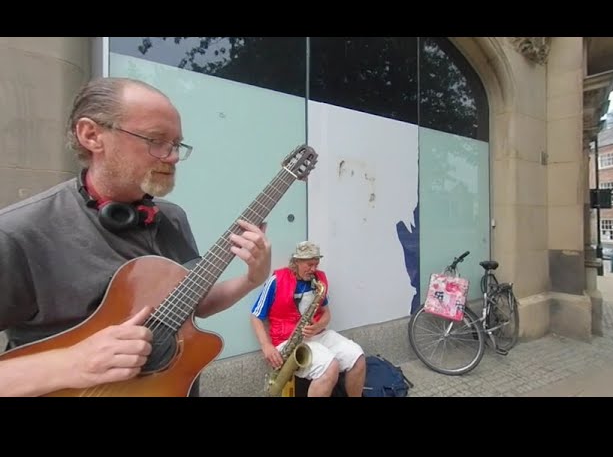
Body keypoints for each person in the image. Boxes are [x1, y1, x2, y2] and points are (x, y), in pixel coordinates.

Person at [0, 76, 271, 397]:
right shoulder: (18, 232)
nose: (171, 156)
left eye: (176, 144)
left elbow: (190, 306)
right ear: (91, 135)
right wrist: (73, 362)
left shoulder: (172, 218)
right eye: (156, 140)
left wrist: (252, 280)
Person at [250, 241, 366, 397]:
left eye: (316, 264)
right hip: (287, 341)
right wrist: (266, 346)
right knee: (330, 368)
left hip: (316, 334)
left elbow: (326, 313)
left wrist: (318, 326)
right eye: (309, 264)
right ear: (296, 261)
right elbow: (256, 316)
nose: (313, 269)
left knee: (357, 357)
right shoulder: (277, 280)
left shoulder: (319, 280)